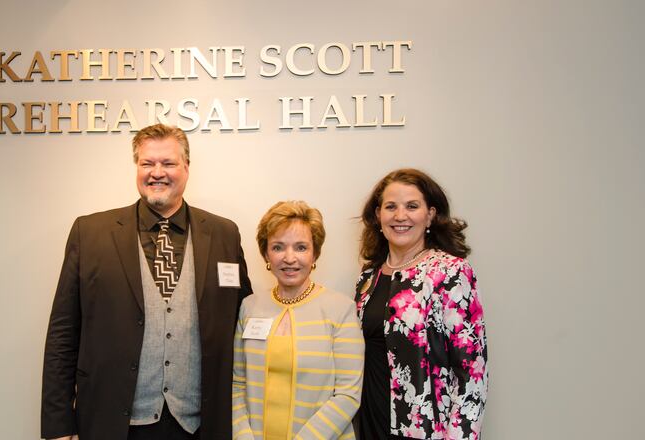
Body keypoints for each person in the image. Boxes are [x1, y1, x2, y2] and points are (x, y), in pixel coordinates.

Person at [41, 124, 253, 440]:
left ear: (186, 168)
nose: (157, 173)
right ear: (136, 167)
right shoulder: (90, 233)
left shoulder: (225, 234)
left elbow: (242, 319)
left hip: (199, 424)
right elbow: (63, 333)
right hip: (114, 422)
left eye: (168, 163)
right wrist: (58, 425)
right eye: (147, 163)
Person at [354, 168, 488, 440]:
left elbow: (472, 373)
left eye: (412, 206)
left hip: (425, 429)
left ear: (430, 215)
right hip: (370, 421)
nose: (400, 216)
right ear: (378, 215)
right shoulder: (368, 277)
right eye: (391, 207)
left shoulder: (450, 272)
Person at [232, 201, 364, 440]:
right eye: (278, 247)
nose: (289, 258)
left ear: (315, 254)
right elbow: (237, 384)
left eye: (301, 247)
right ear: (266, 253)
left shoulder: (340, 309)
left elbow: (348, 394)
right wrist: (243, 436)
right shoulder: (250, 306)